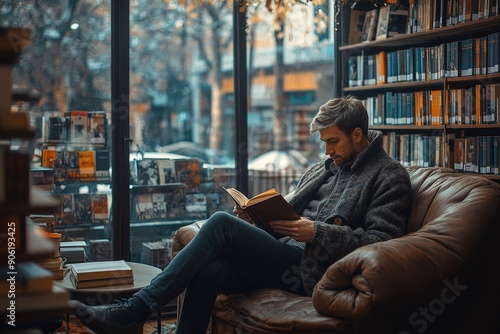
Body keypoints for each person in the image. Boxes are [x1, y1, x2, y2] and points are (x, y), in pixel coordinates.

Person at [73, 95, 412, 334]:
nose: (327, 151)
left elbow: (382, 242)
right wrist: (256, 217)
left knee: (221, 224)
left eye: (333, 141)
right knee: (211, 272)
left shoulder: (388, 175)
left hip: (313, 268)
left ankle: (134, 310)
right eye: (323, 142)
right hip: (286, 253)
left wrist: (317, 233)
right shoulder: (323, 167)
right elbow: (288, 214)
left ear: (357, 135)